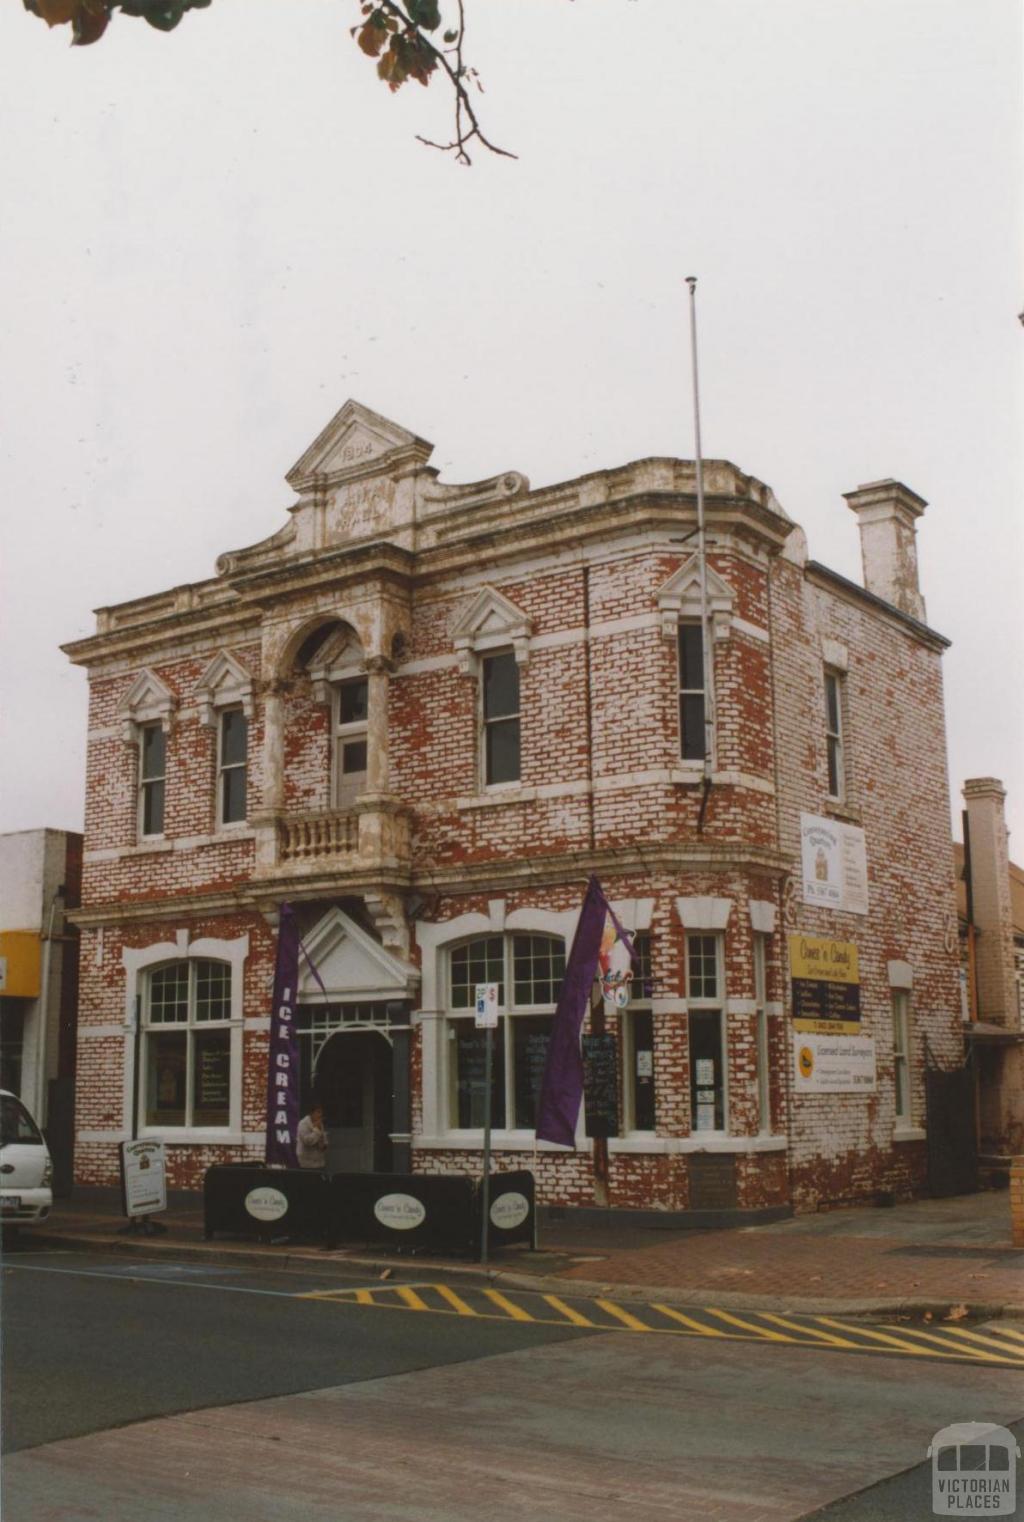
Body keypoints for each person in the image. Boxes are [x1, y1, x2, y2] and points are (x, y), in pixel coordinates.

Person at [296, 1105, 327, 1170]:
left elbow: (324, 1141)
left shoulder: (320, 1123)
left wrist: (324, 1144)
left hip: (320, 1163)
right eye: (318, 1112)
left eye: (321, 1112)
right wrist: (316, 1129)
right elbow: (307, 1141)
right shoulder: (303, 1124)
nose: (320, 1115)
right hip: (307, 1164)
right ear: (311, 1113)